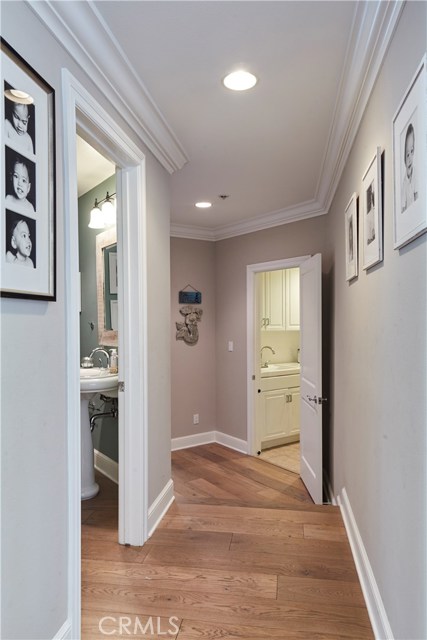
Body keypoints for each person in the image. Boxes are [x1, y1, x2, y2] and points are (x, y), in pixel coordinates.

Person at [401, 123, 418, 213]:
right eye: (407, 155)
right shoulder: (404, 184)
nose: (410, 158)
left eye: (412, 151)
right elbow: (403, 209)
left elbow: (417, 196)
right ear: (404, 157)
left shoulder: (415, 175)